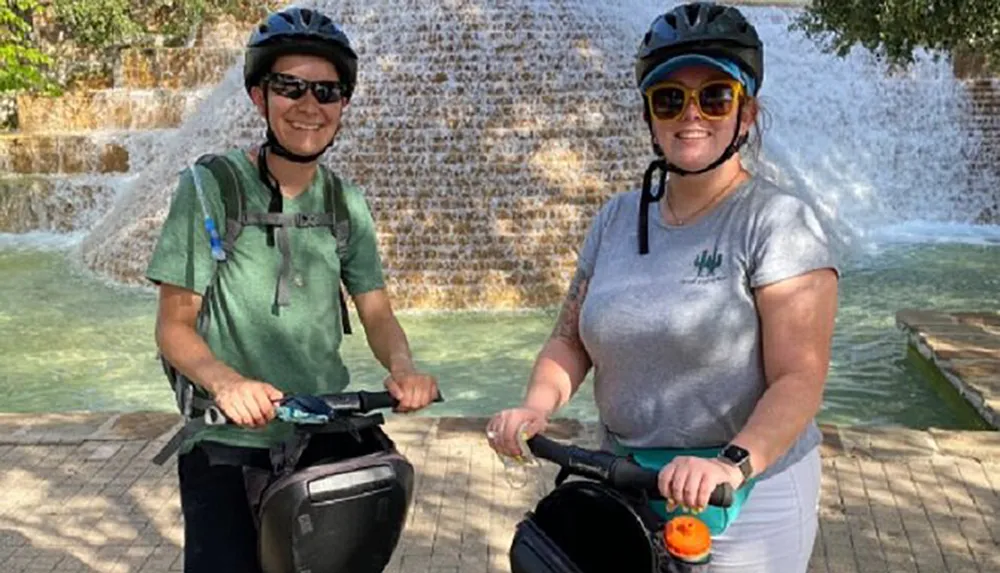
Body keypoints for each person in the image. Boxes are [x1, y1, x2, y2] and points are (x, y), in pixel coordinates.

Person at [487, 3, 838, 572]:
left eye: (715, 96)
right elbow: (570, 342)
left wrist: (732, 464)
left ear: (745, 114)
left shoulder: (777, 223)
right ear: (650, 115)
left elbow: (799, 377)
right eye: (670, 98)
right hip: (623, 481)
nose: (690, 114)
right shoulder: (616, 219)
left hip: (742, 496)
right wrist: (536, 406)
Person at [145, 7, 439, 572]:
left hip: (323, 441)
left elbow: (376, 311)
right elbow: (173, 327)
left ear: (344, 104)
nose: (310, 105)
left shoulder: (344, 203)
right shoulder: (211, 189)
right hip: (230, 446)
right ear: (260, 97)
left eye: (327, 91)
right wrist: (227, 383)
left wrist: (404, 367)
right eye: (290, 87)